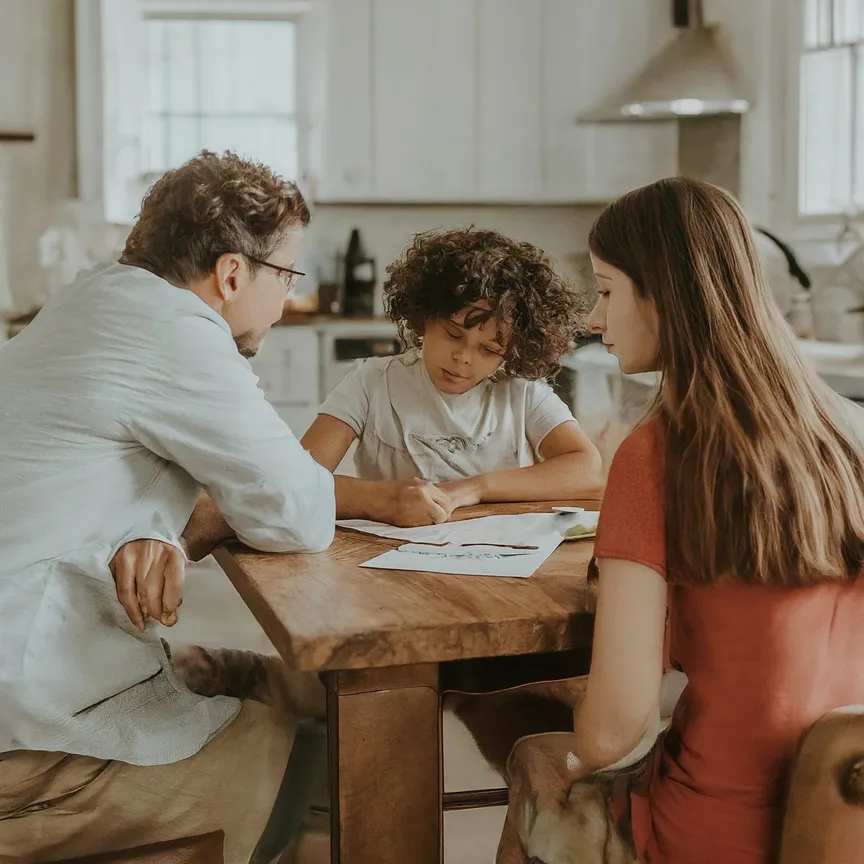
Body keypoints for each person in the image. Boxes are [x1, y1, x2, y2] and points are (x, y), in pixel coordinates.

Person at [497, 177, 864, 864]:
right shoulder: (840, 434)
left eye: (606, 291)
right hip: (837, 826)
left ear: (662, 294)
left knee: (537, 758)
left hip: (713, 832)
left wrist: (581, 759)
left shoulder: (659, 451)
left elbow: (615, 727)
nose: (597, 319)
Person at [0, 150, 335, 863]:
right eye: (288, 275)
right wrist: (199, 516)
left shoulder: (97, 297)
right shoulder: (176, 331)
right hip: (23, 724)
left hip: (40, 663)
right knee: (316, 755)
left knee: (295, 689)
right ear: (233, 273)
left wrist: (161, 531)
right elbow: (298, 510)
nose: (286, 297)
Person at [300, 228, 604, 526]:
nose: (464, 357)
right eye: (452, 334)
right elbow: (295, 481)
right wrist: (383, 500)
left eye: (488, 349)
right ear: (424, 318)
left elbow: (587, 469)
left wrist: (475, 487)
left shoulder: (521, 393)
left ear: (512, 351)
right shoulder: (372, 383)